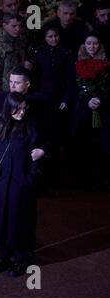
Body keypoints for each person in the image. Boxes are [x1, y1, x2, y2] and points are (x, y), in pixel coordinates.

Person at [0, 92, 40, 277]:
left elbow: (37, 155)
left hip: (18, 185)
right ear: (9, 108)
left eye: (24, 108)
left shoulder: (30, 127)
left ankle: (19, 259)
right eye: (17, 109)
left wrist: (29, 178)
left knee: (17, 223)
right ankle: (2, 257)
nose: (21, 112)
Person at [71, 31, 110, 189]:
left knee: (104, 144)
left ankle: (104, 178)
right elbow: (73, 87)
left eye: (94, 43)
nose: (92, 46)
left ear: (99, 45)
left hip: (104, 109)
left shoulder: (107, 63)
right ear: (84, 45)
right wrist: (88, 101)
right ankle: (84, 180)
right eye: (88, 43)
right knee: (84, 144)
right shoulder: (76, 62)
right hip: (83, 109)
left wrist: (100, 99)